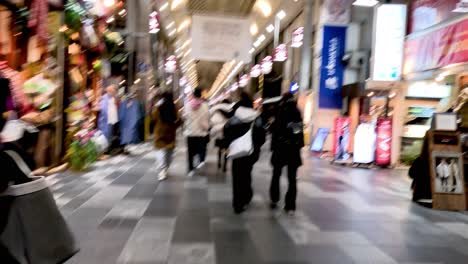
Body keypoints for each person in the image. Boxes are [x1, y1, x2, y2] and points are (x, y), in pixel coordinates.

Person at [224, 92, 266, 214]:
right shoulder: (256, 117)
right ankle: (246, 196)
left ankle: (237, 203)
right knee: (246, 173)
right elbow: (261, 137)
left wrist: (229, 145)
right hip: (250, 151)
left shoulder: (233, 118)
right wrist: (256, 146)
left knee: (236, 176)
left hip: (236, 151)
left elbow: (226, 132)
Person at [269, 92, 304, 215]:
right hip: (292, 150)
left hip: (280, 148)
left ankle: (274, 199)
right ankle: (290, 206)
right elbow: (298, 132)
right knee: (292, 179)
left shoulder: (279, 110)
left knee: (276, 175)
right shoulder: (297, 111)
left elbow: (273, 130)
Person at [152, 92, 182, 181]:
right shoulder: (174, 108)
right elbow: (178, 120)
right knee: (169, 152)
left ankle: (162, 170)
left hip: (160, 133)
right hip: (170, 133)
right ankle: (165, 168)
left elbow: (153, 118)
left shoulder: (158, 107)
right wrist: (175, 126)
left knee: (160, 151)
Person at [184, 87, 210, 176]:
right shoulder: (205, 105)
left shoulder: (187, 105)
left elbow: (185, 117)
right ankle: (201, 161)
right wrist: (207, 128)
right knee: (201, 149)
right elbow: (206, 118)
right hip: (201, 132)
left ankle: (190, 170)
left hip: (190, 132)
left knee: (190, 152)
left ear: (193, 95)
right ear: (200, 95)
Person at [210, 99, 233, 172]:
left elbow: (213, 121)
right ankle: (225, 166)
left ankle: (219, 162)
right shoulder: (231, 110)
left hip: (219, 132)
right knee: (226, 149)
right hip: (227, 132)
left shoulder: (217, 109)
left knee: (220, 148)